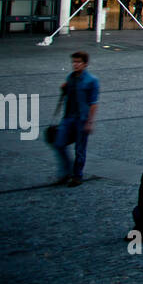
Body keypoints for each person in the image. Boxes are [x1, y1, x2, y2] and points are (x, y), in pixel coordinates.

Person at [54, 51, 99, 187]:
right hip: (68, 118)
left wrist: (90, 122)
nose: (75, 65)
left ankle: (77, 175)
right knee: (59, 144)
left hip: (82, 119)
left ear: (85, 64)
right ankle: (66, 171)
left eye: (78, 62)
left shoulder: (91, 81)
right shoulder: (70, 78)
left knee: (80, 149)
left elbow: (93, 103)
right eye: (74, 62)